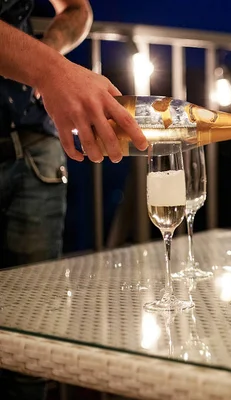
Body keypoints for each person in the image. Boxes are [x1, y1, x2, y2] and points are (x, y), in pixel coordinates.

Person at [0, 1, 147, 398]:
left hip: (35, 149)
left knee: (34, 344)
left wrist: (48, 52)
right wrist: (52, 71)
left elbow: (78, 8)